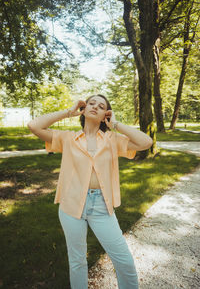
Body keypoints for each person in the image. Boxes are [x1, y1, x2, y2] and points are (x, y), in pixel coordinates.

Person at [28, 94, 153, 289]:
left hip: (102, 206)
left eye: (101, 106)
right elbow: (34, 125)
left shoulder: (112, 139)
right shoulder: (68, 138)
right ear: (83, 109)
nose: (95, 106)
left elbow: (146, 142)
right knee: (77, 262)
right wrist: (68, 112)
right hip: (71, 206)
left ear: (106, 115)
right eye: (91, 103)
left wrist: (116, 124)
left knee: (124, 261)